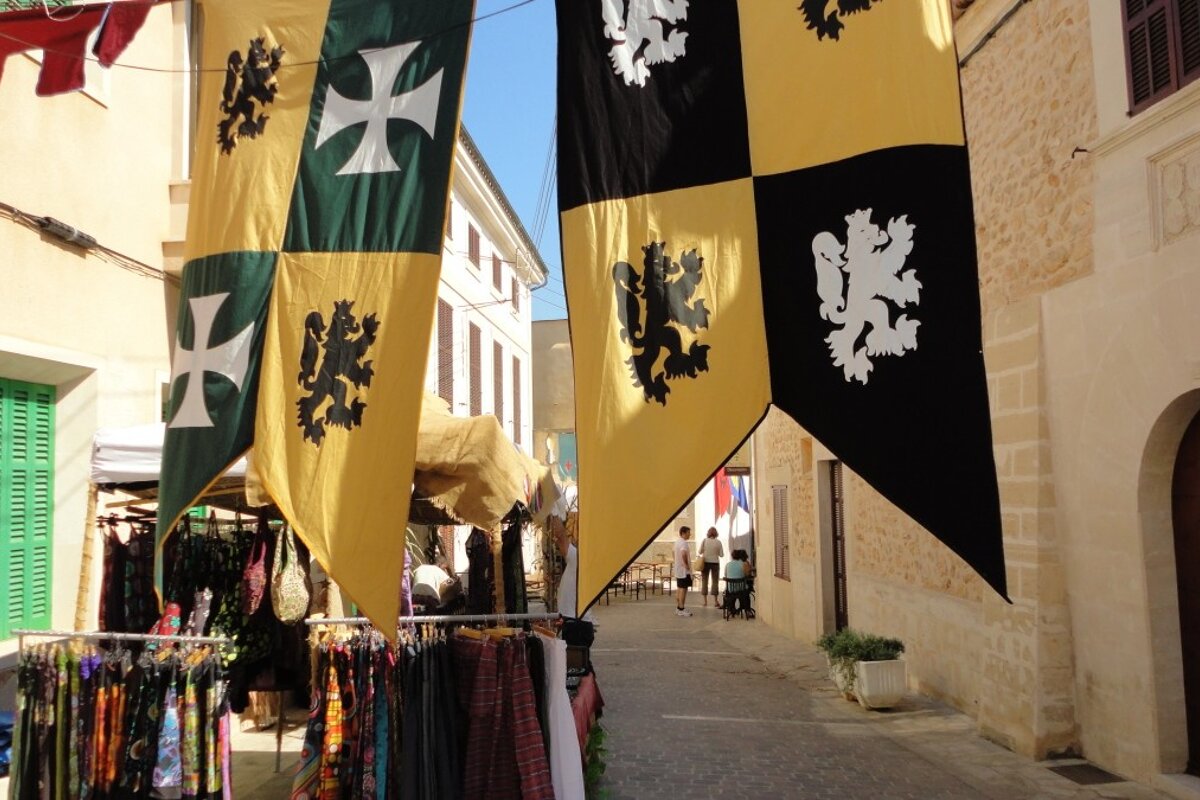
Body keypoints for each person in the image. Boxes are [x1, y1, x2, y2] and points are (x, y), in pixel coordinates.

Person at [697, 526, 724, 607]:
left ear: (708, 533)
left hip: (705, 562)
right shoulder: (718, 542)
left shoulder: (704, 541)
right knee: (715, 582)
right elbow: (721, 554)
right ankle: (715, 601)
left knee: (704, 581)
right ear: (716, 534)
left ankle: (705, 602)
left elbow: (700, 551)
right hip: (715, 563)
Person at [673, 525, 694, 616]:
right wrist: (686, 565)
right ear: (683, 533)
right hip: (684, 571)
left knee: (679, 588)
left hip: (678, 569)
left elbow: (673, 553)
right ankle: (681, 608)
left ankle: (678, 607)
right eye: (688, 533)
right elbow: (683, 553)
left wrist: (677, 562)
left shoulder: (677, 542)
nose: (690, 535)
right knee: (683, 589)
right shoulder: (683, 543)